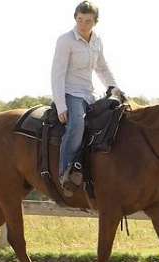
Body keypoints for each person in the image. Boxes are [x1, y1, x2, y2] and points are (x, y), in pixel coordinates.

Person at [51, 1, 120, 196]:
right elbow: (57, 73)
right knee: (77, 124)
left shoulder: (97, 41)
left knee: (115, 117)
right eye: (79, 19)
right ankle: (65, 172)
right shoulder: (65, 40)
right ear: (75, 18)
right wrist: (61, 105)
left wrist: (116, 90)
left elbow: (102, 68)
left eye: (87, 21)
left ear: (95, 22)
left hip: (90, 94)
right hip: (70, 93)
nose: (82, 24)